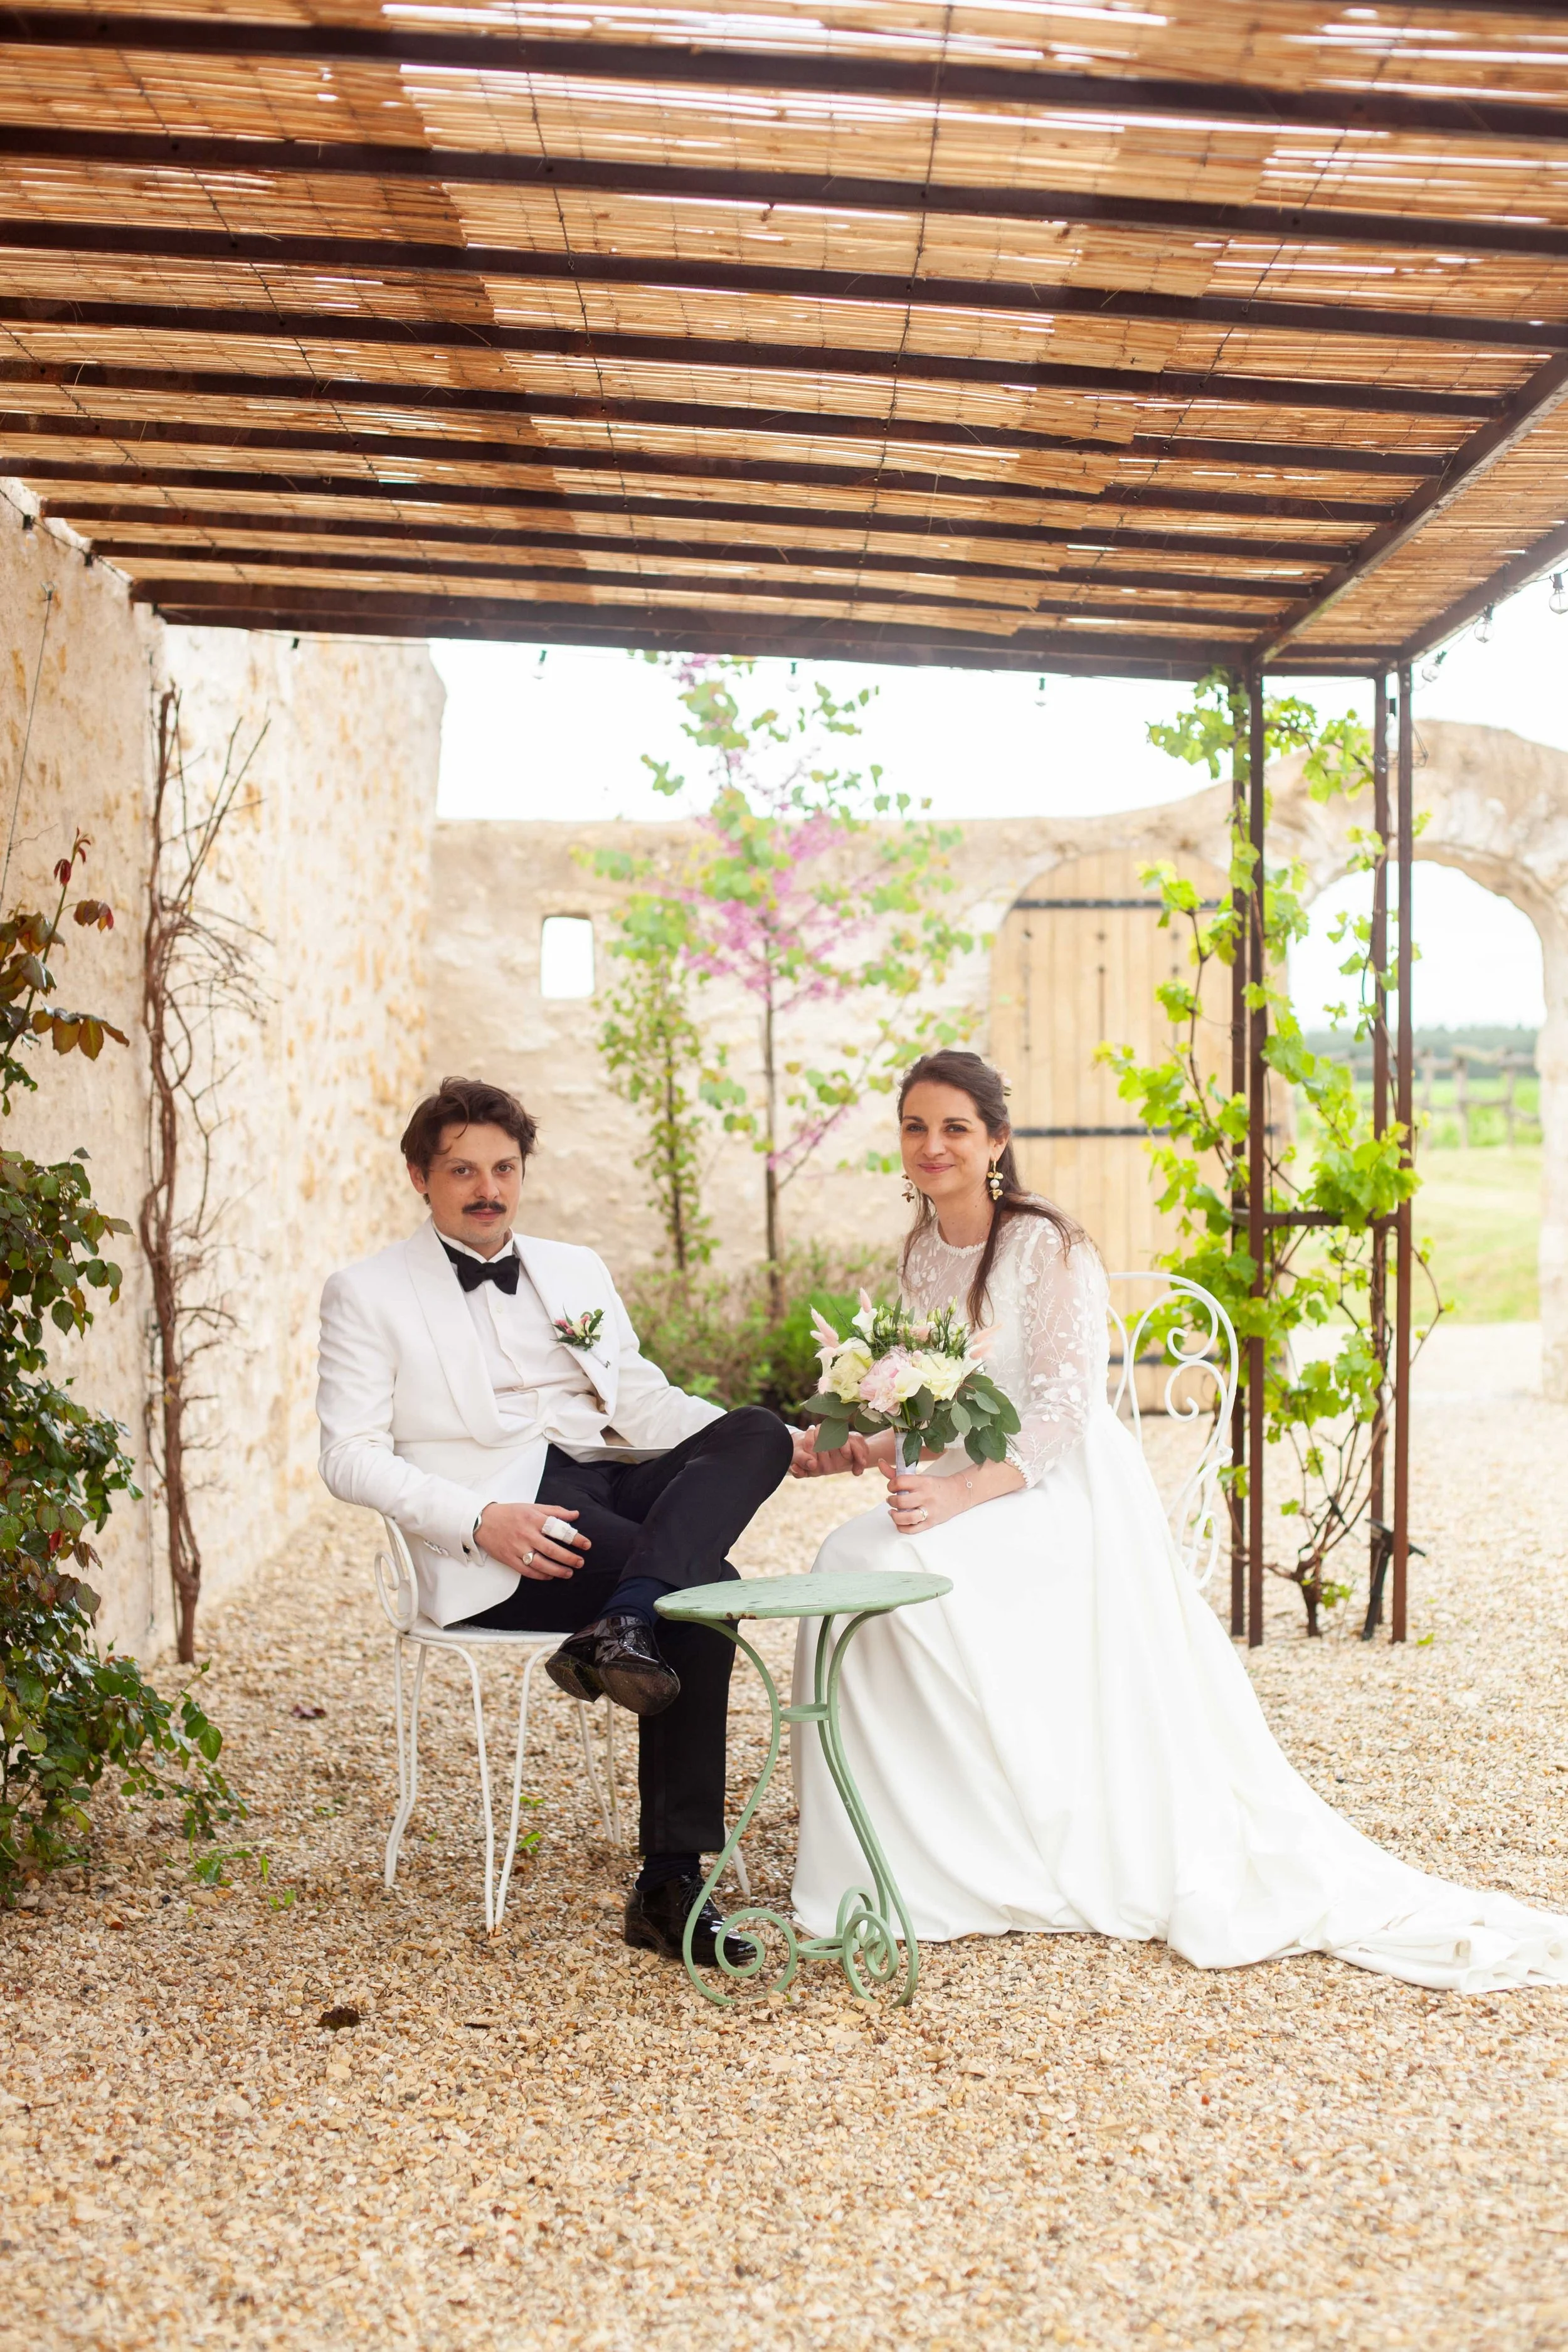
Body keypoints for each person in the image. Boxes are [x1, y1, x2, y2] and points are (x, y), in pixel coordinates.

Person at [790, 1048, 1568, 1994]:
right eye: (916, 1125)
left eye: (955, 1126)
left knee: (882, 1573)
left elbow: (1062, 1414)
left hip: (1057, 1494)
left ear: (997, 1139)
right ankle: (916, 1842)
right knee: (845, 1557)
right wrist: (863, 1443)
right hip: (970, 1478)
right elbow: (927, 1400)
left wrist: (955, 1494)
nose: (932, 1145)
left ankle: (998, 1842)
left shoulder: (1049, 1243)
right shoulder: (919, 1251)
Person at [316, 1074, 800, 1963]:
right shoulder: (367, 1292)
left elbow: (643, 1404)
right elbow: (347, 1454)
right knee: (709, 1593)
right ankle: (669, 1882)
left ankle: (623, 1615)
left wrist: (791, 1443)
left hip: (607, 1482)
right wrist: (478, 1517)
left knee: (757, 1431)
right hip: (506, 1527)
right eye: (463, 1169)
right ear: (422, 1175)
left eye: (503, 1167)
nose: (487, 1188)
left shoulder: (572, 1268)